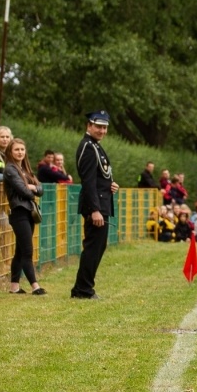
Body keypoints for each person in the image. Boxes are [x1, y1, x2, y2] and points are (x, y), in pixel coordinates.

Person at [71, 111, 119, 299]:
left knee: (98, 247)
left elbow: (100, 176)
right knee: (93, 247)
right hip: (96, 206)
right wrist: (95, 210)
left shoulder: (95, 146)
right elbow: (88, 181)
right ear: (89, 126)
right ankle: (83, 290)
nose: (102, 131)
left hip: (101, 202)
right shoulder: (88, 147)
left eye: (105, 127)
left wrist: (110, 184)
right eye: (98, 126)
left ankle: (81, 288)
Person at [3, 138, 46, 295]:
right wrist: (32, 190)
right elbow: (24, 192)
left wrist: (33, 187)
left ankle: (14, 287)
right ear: (10, 152)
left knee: (20, 251)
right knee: (27, 250)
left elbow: (41, 189)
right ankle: (35, 286)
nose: (20, 152)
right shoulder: (10, 169)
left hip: (29, 212)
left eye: (22, 149)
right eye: (16, 149)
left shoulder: (25, 169)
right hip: (19, 212)